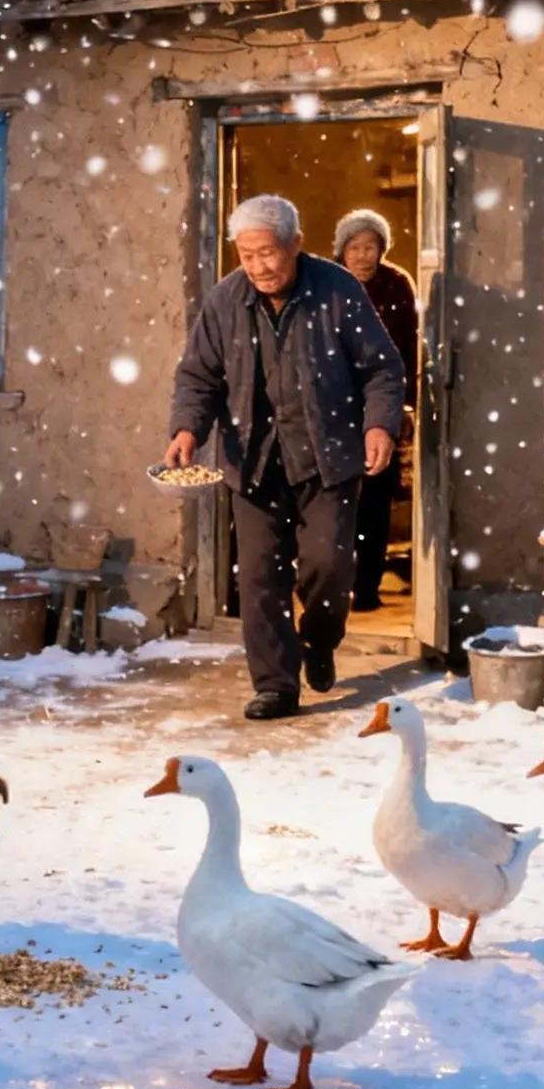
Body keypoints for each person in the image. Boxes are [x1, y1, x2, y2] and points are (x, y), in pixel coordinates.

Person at [164, 195, 405, 722]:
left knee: (329, 565)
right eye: (247, 255)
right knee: (258, 578)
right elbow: (198, 376)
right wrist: (187, 429)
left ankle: (318, 642)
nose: (259, 266)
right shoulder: (225, 301)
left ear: (296, 244)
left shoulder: (338, 291)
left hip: (326, 456)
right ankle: (275, 683)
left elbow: (383, 368)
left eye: (268, 253)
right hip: (252, 460)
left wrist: (380, 424)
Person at [334, 210, 419, 612]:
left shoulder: (396, 285)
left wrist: (406, 404)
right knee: (332, 501)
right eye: (355, 247)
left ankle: (365, 588)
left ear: (382, 250)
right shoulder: (327, 283)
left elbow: (408, 348)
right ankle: (328, 586)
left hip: (381, 406)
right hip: (333, 408)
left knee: (374, 502)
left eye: (371, 247)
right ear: (342, 251)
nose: (363, 256)